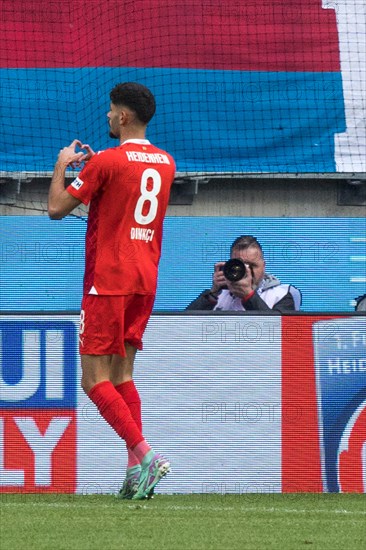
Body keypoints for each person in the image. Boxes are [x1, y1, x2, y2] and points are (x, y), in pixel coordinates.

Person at [48, 82, 175, 500]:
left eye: (110, 110)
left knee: (92, 380)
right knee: (123, 375)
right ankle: (135, 471)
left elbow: (56, 210)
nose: (105, 116)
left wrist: (63, 167)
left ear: (123, 116)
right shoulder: (166, 162)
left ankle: (146, 454)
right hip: (145, 278)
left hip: (109, 279)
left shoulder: (105, 161)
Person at [186, 235, 301, 312]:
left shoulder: (282, 294)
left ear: (263, 266)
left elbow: (279, 333)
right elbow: (182, 326)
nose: (247, 272)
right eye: (240, 266)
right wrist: (211, 295)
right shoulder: (219, 295)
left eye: (252, 266)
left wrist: (248, 296)